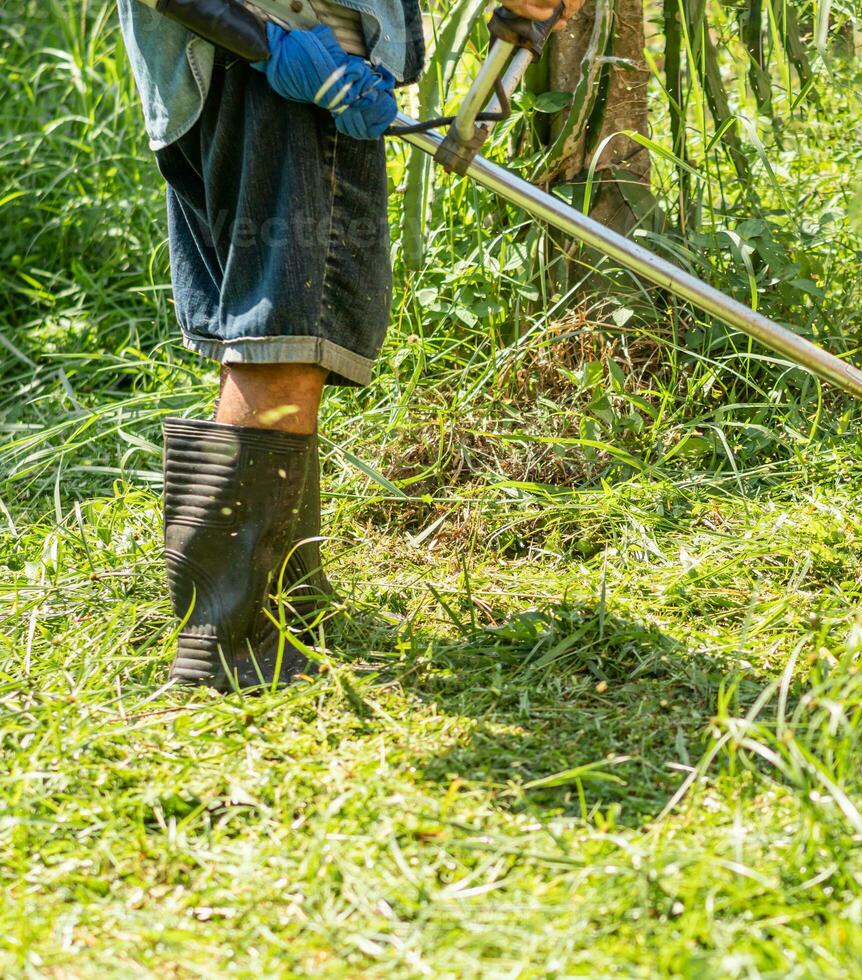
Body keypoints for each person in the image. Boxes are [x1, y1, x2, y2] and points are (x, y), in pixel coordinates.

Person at [116, 0, 580, 690]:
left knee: (269, 329)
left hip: (240, 65)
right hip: (271, 59)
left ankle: (287, 604)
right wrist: (270, 44)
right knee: (286, 336)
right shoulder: (284, 58)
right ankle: (230, 644)